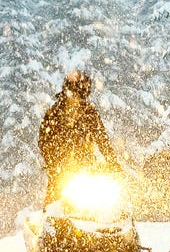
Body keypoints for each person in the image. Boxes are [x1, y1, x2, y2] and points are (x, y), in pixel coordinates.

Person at [38, 70, 121, 206]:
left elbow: (102, 139)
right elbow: (44, 140)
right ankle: (49, 222)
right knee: (54, 204)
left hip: (85, 169)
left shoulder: (89, 112)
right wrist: (52, 161)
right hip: (61, 171)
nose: (76, 95)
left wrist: (113, 164)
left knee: (101, 207)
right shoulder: (55, 112)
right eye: (74, 89)